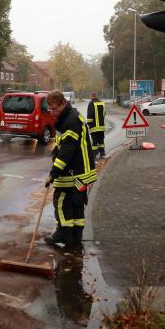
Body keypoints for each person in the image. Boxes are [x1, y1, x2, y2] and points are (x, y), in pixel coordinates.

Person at [44, 90, 97, 247]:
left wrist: (53, 174)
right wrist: (55, 150)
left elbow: (67, 151)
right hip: (83, 173)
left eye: (54, 108)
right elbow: (65, 144)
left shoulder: (70, 121)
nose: (52, 112)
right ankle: (75, 237)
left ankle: (63, 232)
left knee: (60, 200)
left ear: (63, 104)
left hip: (74, 172)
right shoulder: (70, 116)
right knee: (76, 203)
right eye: (50, 109)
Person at [86, 92, 106, 159]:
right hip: (101, 127)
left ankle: (94, 154)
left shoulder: (91, 103)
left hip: (94, 127)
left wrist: (89, 124)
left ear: (91, 97)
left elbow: (90, 114)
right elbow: (104, 113)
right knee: (101, 140)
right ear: (96, 96)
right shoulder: (102, 103)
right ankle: (102, 153)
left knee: (94, 141)